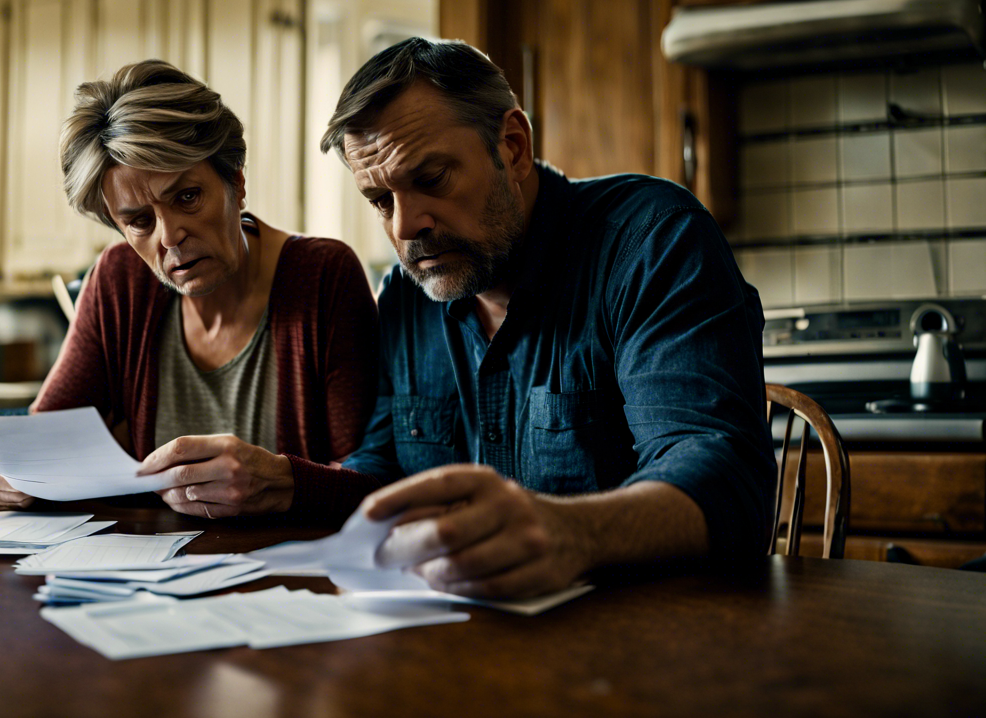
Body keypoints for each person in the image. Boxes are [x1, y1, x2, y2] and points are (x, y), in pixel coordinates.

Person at [303, 37, 775, 600]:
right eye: (381, 200)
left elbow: (722, 475)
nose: (405, 227)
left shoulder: (651, 242)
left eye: (431, 179)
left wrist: (572, 533)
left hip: (653, 635)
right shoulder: (406, 297)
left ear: (513, 146)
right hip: (461, 639)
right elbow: (382, 463)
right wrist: (284, 481)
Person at [0, 60, 379, 517]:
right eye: (139, 221)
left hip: (300, 574)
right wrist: (7, 467)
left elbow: (374, 482)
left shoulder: (323, 275)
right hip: (156, 573)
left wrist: (284, 481)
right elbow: (47, 438)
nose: (169, 237)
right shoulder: (120, 280)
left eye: (187, 197)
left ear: (236, 182)